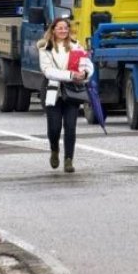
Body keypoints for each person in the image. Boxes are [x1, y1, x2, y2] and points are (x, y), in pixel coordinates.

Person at [38, 17, 94, 174]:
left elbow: (88, 65)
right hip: (52, 91)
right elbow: (48, 71)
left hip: (72, 91)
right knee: (54, 128)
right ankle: (54, 149)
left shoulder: (76, 46)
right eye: (59, 28)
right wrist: (71, 74)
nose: (63, 31)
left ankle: (69, 159)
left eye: (65, 28)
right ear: (53, 30)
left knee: (70, 126)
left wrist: (84, 73)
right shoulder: (45, 48)